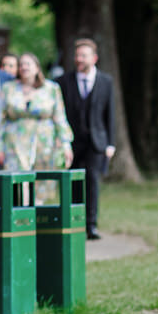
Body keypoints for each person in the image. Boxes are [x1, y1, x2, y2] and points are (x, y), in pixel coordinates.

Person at [60, 37, 116, 240]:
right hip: (72, 141)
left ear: (94, 58)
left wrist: (111, 143)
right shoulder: (64, 82)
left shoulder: (106, 81)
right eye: (76, 55)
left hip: (96, 141)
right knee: (73, 182)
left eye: (83, 55)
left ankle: (91, 224)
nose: (78, 59)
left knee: (92, 181)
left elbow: (110, 113)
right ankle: (73, 223)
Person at [0, 52, 73, 172]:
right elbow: (0, 119)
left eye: (28, 64)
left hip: (44, 143)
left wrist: (65, 144)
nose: (24, 67)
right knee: (17, 183)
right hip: (14, 144)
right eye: (21, 64)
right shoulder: (8, 88)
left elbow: (60, 118)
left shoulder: (51, 88)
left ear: (37, 68)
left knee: (44, 181)